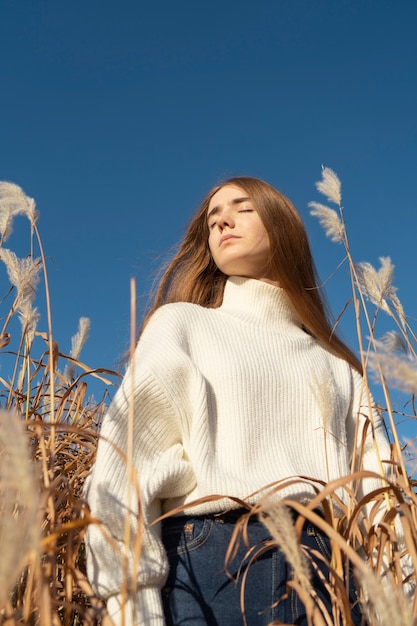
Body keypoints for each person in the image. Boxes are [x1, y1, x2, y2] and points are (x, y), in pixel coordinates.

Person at [84, 176, 395, 625]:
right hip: (210, 563)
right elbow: (125, 468)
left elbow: (380, 498)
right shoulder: (182, 326)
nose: (222, 221)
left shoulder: (339, 366)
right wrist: (130, 606)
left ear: (282, 224)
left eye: (242, 208)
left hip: (329, 571)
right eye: (213, 219)